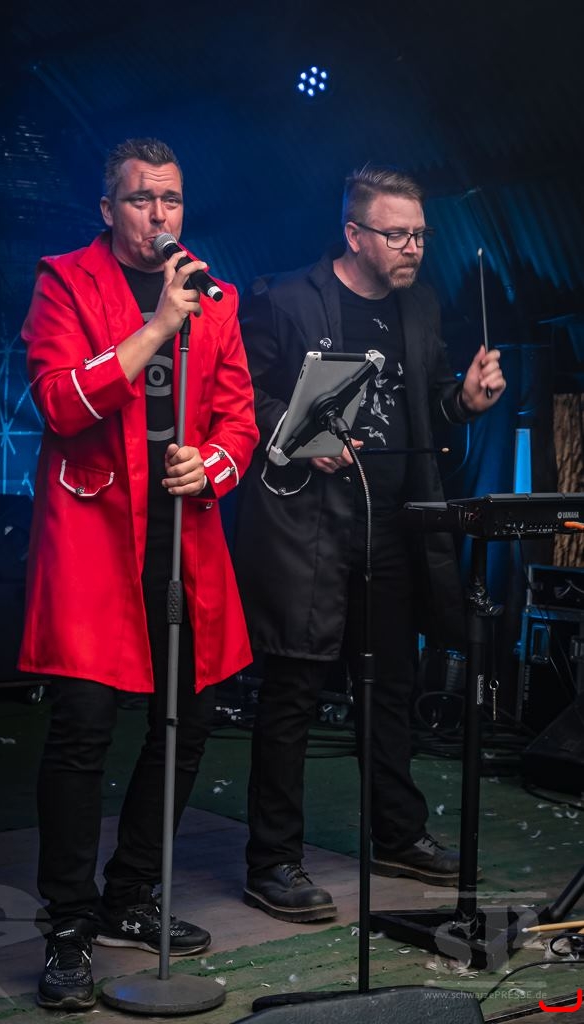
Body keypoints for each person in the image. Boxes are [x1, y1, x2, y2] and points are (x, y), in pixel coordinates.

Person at [18, 137, 258, 1009]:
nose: (159, 215)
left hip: (181, 538)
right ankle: (68, 925)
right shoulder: (64, 281)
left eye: (172, 199)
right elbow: (57, 401)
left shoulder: (213, 296)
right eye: (140, 199)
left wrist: (211, 464)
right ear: (107, 209)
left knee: (187, 720)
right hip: (92, 536)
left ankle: (128, 895)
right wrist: (156, 325)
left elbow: (239, 417)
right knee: (82, 728)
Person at [233, 165, 506, 923]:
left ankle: (398, 834)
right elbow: (240, 395)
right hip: (307, 529)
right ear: (353, 235)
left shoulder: (421, 305)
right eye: (397, 234)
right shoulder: (286, 299)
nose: (413, 247)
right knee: (292, 692)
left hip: (392, 525)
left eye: (420, 234)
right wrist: (301, 433)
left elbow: (431, 404)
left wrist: (464, 402)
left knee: (389, 688)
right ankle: (272, 860)